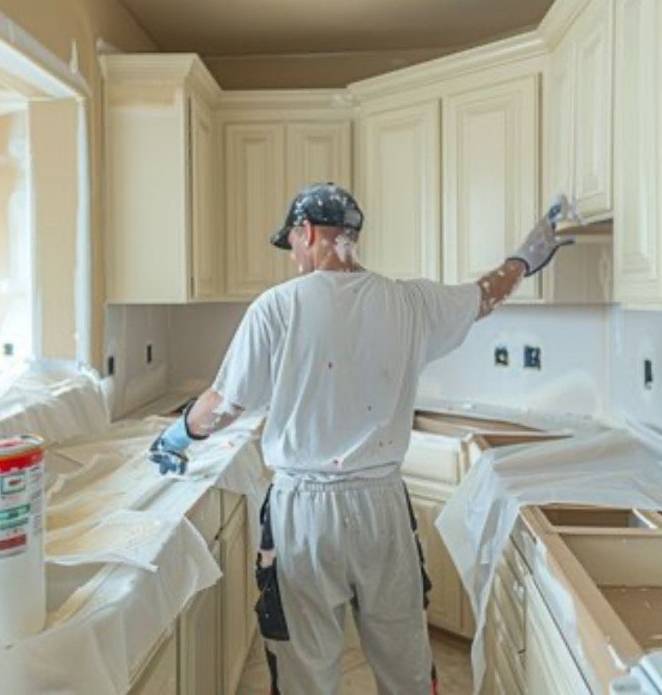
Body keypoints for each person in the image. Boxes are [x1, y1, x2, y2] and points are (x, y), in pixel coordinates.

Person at [149, 183, 573, 694]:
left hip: (303, 512)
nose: (294, 259)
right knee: (406, 664)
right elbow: (486, 295)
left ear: (306, 232)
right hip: (382, 507)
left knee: (306, 668)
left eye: (293, 245)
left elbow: (223, 405)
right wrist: (525, 257)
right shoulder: (410, 302)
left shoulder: (277, 308)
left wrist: (178, 434)